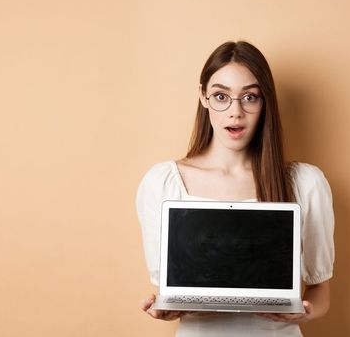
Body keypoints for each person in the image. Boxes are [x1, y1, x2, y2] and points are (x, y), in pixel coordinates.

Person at [136, 41, 334, 336]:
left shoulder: (305, 182)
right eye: (221, 96)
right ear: (203, 97)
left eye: (250, 97)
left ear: (264, 101)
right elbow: (167, 288)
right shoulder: (161, 182)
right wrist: (165, 309)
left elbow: (320, 291)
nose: (235, 112)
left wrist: (304, 313)